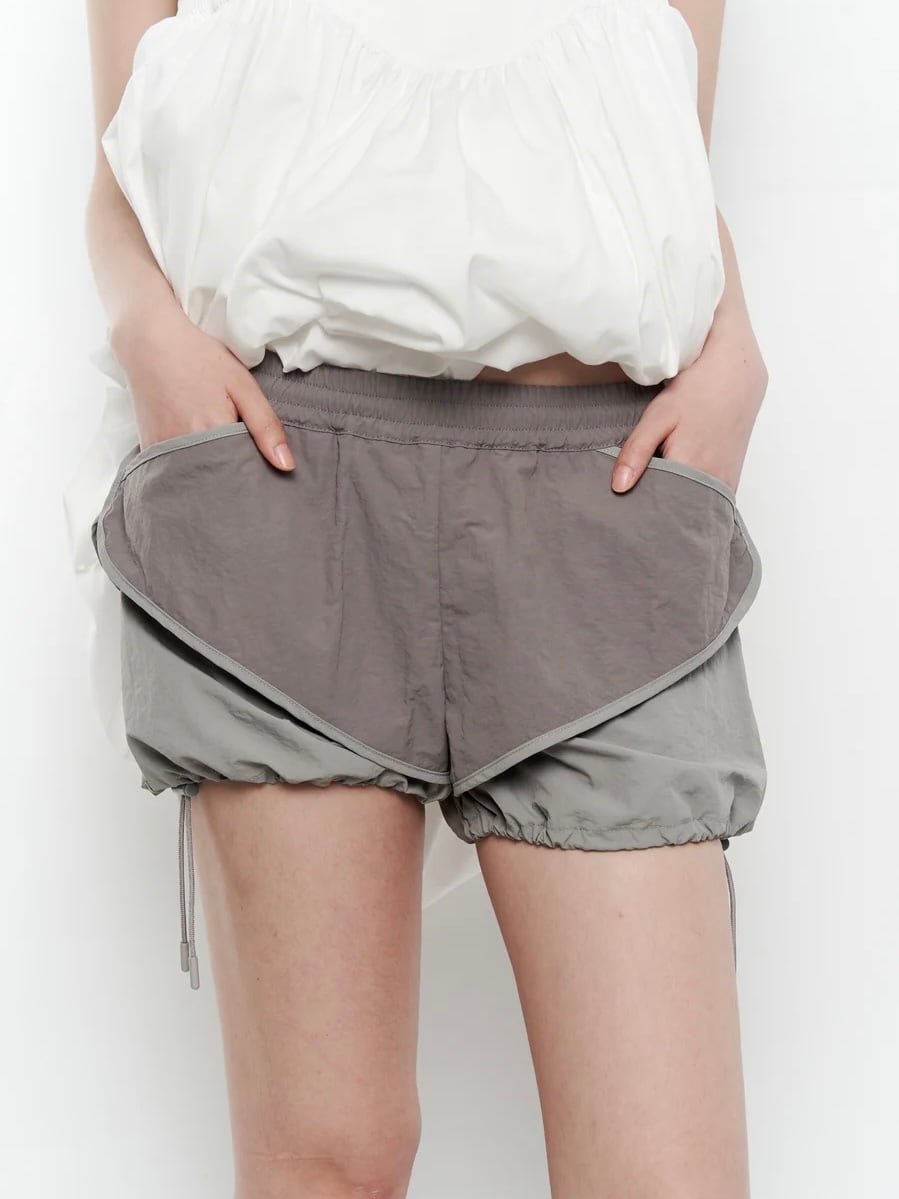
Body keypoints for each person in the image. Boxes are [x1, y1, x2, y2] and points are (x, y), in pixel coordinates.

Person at [78, 0, 768, 1195]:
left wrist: (734, 348)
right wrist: (146, 330)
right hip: (282, 476)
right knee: (331, 1156)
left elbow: (656, 130)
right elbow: (130, 152)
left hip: (605, 494)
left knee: (665, 1172)